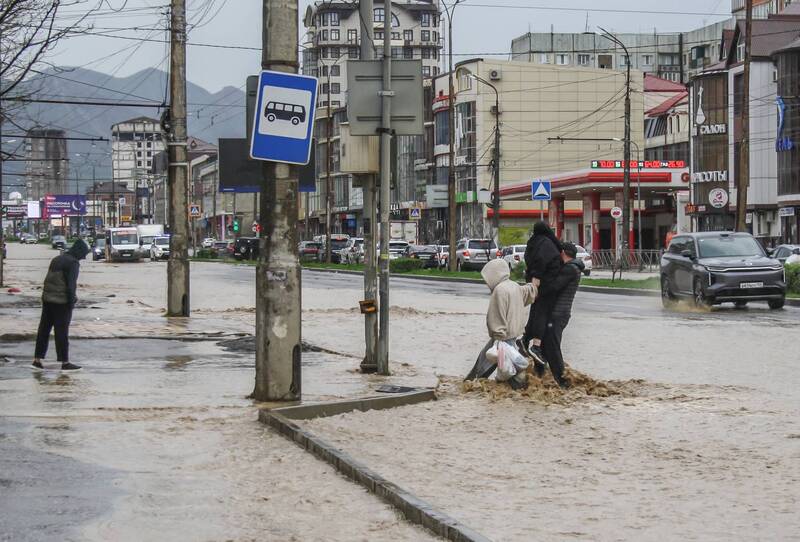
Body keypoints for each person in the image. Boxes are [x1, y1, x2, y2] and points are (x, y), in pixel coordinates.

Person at [465, 258, 537, 387]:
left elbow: (496, 315)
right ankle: (474, 383)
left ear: (493, 275)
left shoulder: (499, 290)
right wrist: (533, 286)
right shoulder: (514, 285)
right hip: (514, 334)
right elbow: (526, 295)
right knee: (503, 365)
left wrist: (497, 336)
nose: (486, 283)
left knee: (503, 368)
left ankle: (470, 385)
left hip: (503, 336)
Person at [31, 239, 91, 371]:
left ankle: (37, 359)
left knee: (44, 330)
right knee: (61, 333)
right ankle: (65, 362)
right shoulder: (73, 263)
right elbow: (71, 286)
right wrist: (71, 302)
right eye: (84, 254)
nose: (84, 257)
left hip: (47, 299)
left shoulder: (57, 259)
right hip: (61, 303)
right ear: (79, 251)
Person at [518, 221, 562, 368]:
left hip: (535, 284)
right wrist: (536, 281)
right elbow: (541, 262)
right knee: (543, 313)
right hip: (544, 285)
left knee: (536, 312)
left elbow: (531, 261)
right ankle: (536, 346)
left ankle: (525, 338)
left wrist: (532, 282)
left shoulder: (533, 242)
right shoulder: (546, 243)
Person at [541, 242, 585, 388]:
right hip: (560, 314)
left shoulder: (570, 269)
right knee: (547, 346)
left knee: (552, 346)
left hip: (558, 315)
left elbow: (554, 286)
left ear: (563, 253)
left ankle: (563, 381)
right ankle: (545, 377)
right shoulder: (573, 267)